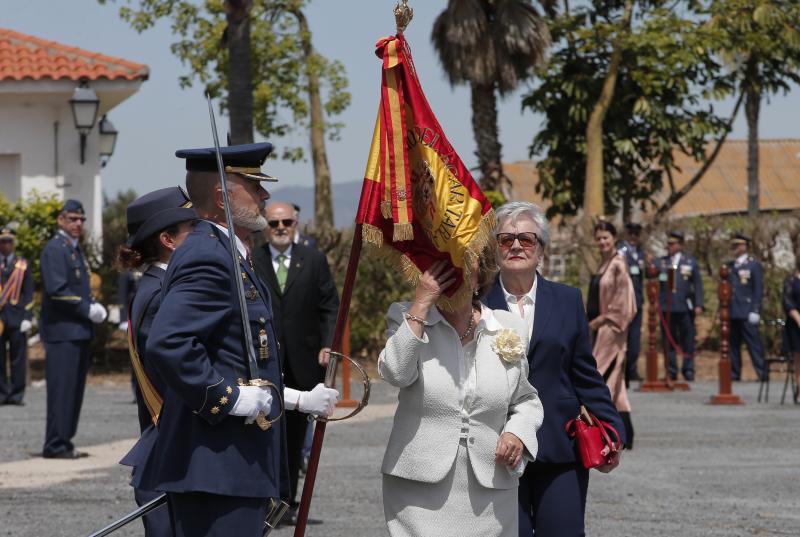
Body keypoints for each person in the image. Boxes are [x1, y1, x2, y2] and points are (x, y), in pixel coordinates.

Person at [129, 143, 337, 537]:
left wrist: (294, 398)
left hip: (236, 464)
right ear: (224, 197)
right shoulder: (208, 254)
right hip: (216, 465)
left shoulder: (231, 253)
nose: (265, 196)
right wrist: (226, 397)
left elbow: (242, 357)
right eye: (254, 186)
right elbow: (169, 343)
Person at [380, 242, 544, 537]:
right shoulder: (406, 317)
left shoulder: (508, 326)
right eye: (444, 268)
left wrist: (518, 431)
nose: (452, 278)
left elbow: (526, 400)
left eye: (462, 268)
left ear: (480, 277)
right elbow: (396, 372)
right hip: (418, 491)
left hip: (490, 492)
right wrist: (421, 304)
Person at [482, 201, 623, 537]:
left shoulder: (568, 300)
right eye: (505, 239)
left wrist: (613, 430)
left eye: (527, 239)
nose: (516, 245)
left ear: (541, 250)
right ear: (495, 249)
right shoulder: (476, 302)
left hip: (560, 447)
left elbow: (584, 375)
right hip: (495, 449)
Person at [252, 200, 340, 524]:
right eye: (273, 223)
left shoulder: (313, 260)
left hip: (303, 361)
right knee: (263, 431)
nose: (279, 229)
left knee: (293, 436)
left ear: (296, 224)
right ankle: (263, 497)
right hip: (264, 359)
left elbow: (329, 304)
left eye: (285, 223)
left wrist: (328, 343)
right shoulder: (253, 258)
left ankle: (285, 501)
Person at [117, 187, 198, 537]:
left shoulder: (162, 285)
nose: (200, 238)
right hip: (172, 445)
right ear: (168, 240)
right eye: (190, 230)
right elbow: (174, 374)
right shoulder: (162, 292)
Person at [40, 199, 107, 459]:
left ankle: (64, 441)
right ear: (60, 220)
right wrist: (86, 308)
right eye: (72, 218)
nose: (78, 223)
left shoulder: (73, 249)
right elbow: (57, 291)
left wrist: (92, 305)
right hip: (62, 331)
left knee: (73, 391)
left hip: (76, 331)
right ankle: (55, 444)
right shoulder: (55, 249)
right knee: (62, 390)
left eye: (81, 219)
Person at [588, 221, 637, 449]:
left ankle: (601, 430)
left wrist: (605, 318)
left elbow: (625, 300)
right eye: (598, 238)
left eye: (605, 237)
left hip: (611, 328)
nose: (602, 242)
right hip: (598, 328)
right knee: (616, 383)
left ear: (614, 238)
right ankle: (624, 432)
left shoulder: (619, 264)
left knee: (597, 376)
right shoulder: (604, 263)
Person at [657, 231, 703, 381]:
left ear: (680, 245)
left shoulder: (690, 262)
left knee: (688, 338)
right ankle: (671, 370)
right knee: (669, 339)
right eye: (668, 244)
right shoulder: (662, 262)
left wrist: (698, 304)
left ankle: (688, 369)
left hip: (685, 306)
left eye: (672, 244)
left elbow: (697, 284)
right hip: (666, 307)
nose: (669, 246)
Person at [0, 226, 34, 406]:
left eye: (8, 241)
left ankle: (16, 393)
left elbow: (29, 293)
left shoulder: (22, 265)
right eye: (2, 241)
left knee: (17, 358)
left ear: (13, 243)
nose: (5, 245)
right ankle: (2, 393)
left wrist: (27, 317)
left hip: (16, 317)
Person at [727, 233, 766, 381]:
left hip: (747, 310)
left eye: (737, 246)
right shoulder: (731, 266)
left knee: (753, 344)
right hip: (733, 310)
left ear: (744, 247)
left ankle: (762, 372)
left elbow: (758, 289)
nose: (734, 249)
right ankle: (735, 373)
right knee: (733, 345)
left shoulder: (753, 265)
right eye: (733, 246)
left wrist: (755, 309)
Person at [618, 222, 646, 383]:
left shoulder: (640, 253)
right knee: (622, 337)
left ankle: (632, 370)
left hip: (638, 299)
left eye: (637, 234)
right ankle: (620, 371)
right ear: (627, 234)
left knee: (635, 338)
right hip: (623, 300)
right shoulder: (621, 251)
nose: (634, 237)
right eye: (632, 233)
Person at [782, 256, 800, 403]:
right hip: (796, 325)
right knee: (798, 359)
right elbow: (788, 302)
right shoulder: (791, 281)